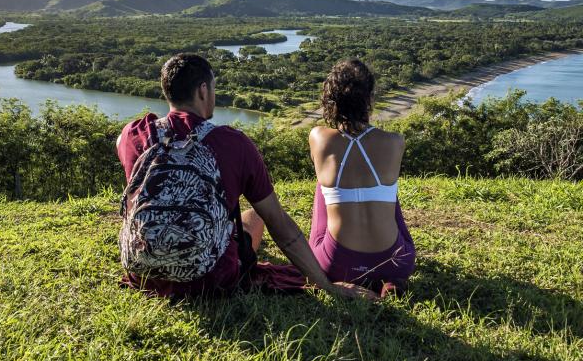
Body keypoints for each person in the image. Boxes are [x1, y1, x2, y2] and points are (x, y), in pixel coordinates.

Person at [117, 53, 375, 299]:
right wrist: (326, 284)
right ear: (203, 90)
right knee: (253, 217)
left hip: (145, 274)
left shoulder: (135, 135)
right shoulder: (232, 144)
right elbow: (280, 226)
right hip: (210, 279)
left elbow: (124, 152)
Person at [308, 59, 415, 296]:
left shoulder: (318, 138)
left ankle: (364, 276)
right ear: (369, 99)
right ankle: (388, 281)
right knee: (387, 187)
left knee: (325, 180)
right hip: (396, 262)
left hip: (337, 266)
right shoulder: (394, 142)